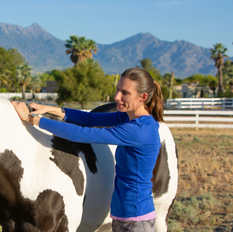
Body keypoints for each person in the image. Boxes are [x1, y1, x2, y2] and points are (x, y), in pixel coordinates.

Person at [12, 67, 164, 232]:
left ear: (143, 97)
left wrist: (31, 119)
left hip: (136, 218)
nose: (117, 97)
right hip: (124, 214)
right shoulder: (127, 118)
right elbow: (88, 118)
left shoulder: (140, 129)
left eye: (125, 93)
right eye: (118, 89)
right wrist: (48, 109)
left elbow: (83, 134)